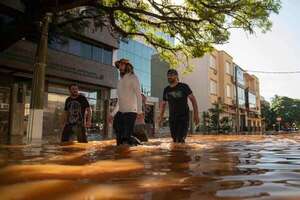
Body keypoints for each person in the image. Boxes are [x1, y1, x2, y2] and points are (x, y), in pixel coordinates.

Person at [158, 69, 200, 143]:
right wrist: (160, 117)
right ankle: (177, 154)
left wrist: (196, 115)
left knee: (180, 139)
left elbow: (193, 100)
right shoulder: (166, 90)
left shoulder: (184, 87)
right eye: (168, 75)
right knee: (174, 140)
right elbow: (163, 104)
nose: (169, 77)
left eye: (171, 75)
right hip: (172, 118)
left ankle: (183, 154)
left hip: (183, 117)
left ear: (176, 76)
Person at [109, 58, 143, 146]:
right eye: (119, 66)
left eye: (122, 65)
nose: (120, 67)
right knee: (119, 139)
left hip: (131, 112)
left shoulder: (133, 78)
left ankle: (140, 145)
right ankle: (120, 155)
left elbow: (139, 95)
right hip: (120, 113)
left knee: (126, 137)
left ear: (128, 66)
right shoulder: (120, 81)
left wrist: (139, 111)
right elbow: (119, 100)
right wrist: (112, 114)